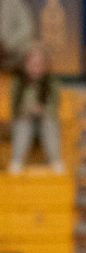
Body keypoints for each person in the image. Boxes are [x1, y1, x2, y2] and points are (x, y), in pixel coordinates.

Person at [9, 43, 62, 173]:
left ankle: (55, 161)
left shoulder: (52, 82)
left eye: (39, 65)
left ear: (45, 66)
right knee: (23, 125)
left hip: (45, 120)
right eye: (32, 64)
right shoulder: (18, 83)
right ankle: (16, 162)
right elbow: (15, 109)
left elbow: (54, 107)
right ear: (25, 65)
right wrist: (28, 109)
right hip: (24, 120)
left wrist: (42, 110)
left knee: (49, 124)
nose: (35, 68)